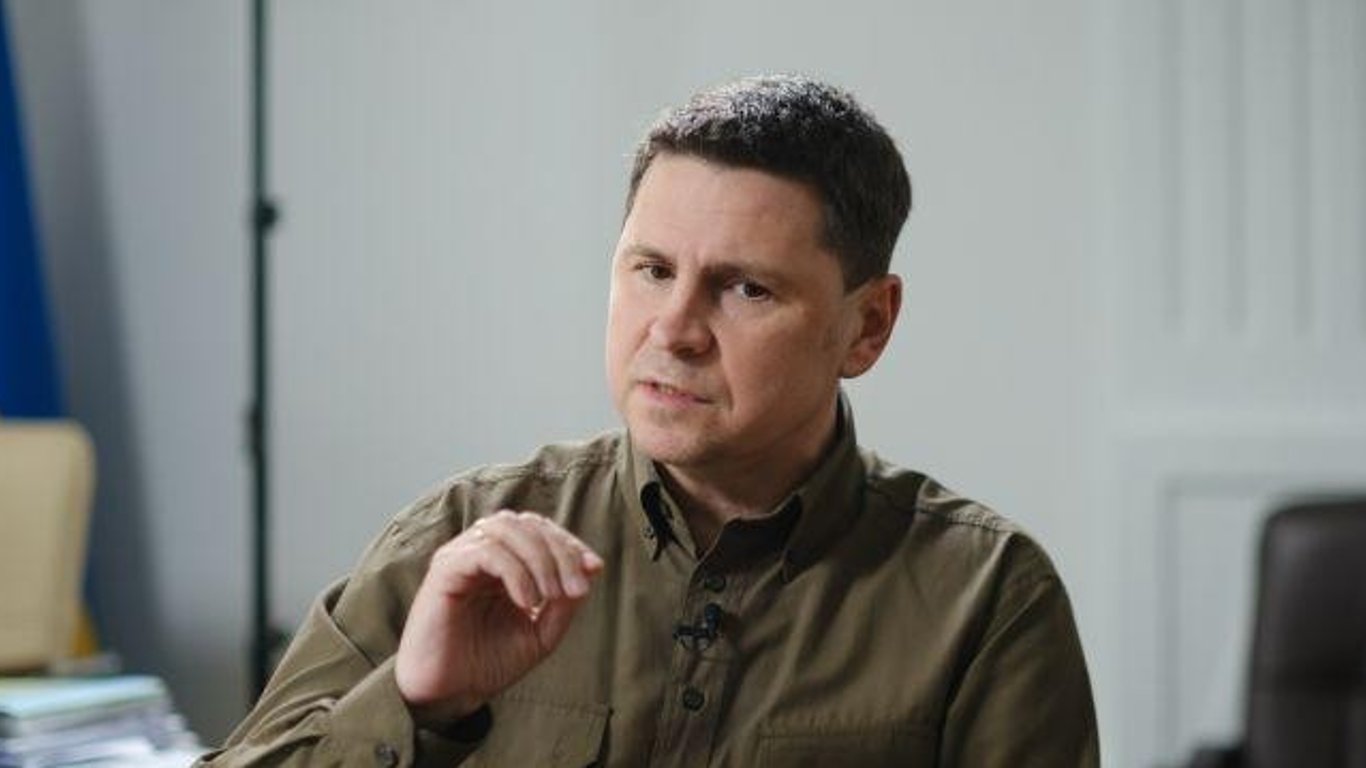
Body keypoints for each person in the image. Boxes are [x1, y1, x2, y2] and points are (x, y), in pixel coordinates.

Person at [201, 74, 1098, 767]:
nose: (673, 331)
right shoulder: (462, 537)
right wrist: (417, 703)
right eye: (652, 270)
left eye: (746, 289)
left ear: (867, 326)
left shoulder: (987, 599)